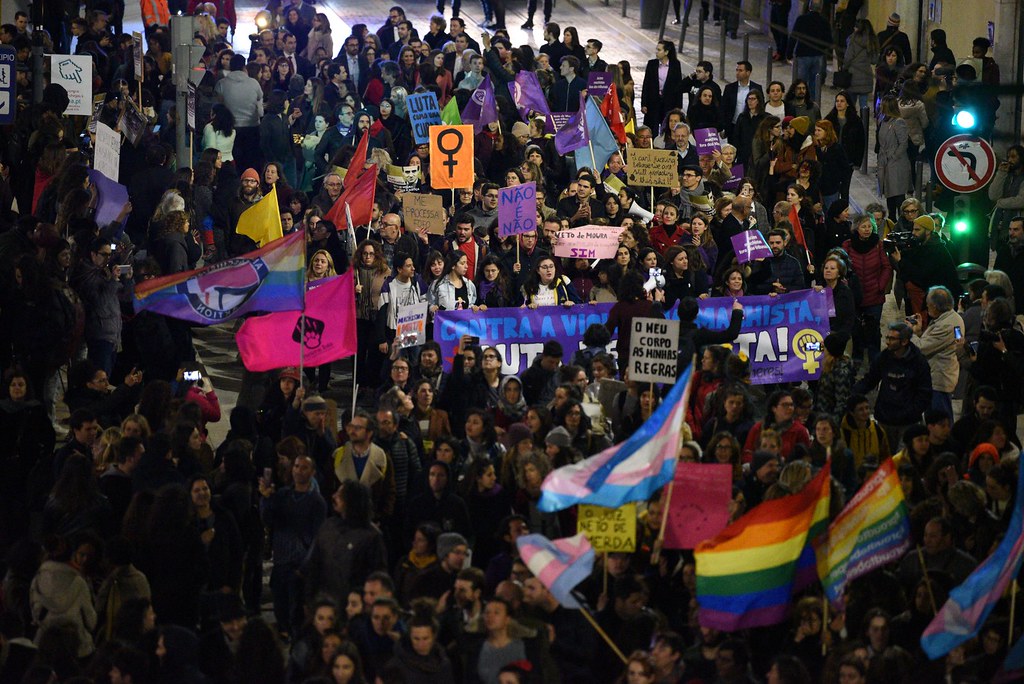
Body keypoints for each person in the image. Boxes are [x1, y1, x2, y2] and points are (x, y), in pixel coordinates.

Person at [853, 322, 932, 447]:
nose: (888, 342)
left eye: (892, 339)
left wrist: (913, 411)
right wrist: (853, 394)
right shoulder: (883, 358)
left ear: (904, 341)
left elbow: (925, 392)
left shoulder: (919, 362)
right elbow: (870, 380)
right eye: (887, 338)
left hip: (908, 422)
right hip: (885, 418)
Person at [640, 41, 683, 136]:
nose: (656, 52)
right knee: (652, 127)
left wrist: (678, 105)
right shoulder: (652, 64)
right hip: (653, 102)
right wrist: (644, 103)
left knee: (668, 129)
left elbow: (678, 86)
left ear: (666, 52)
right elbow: (646, 84)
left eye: (659, 50)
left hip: (668, 103)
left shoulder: (675, 65)